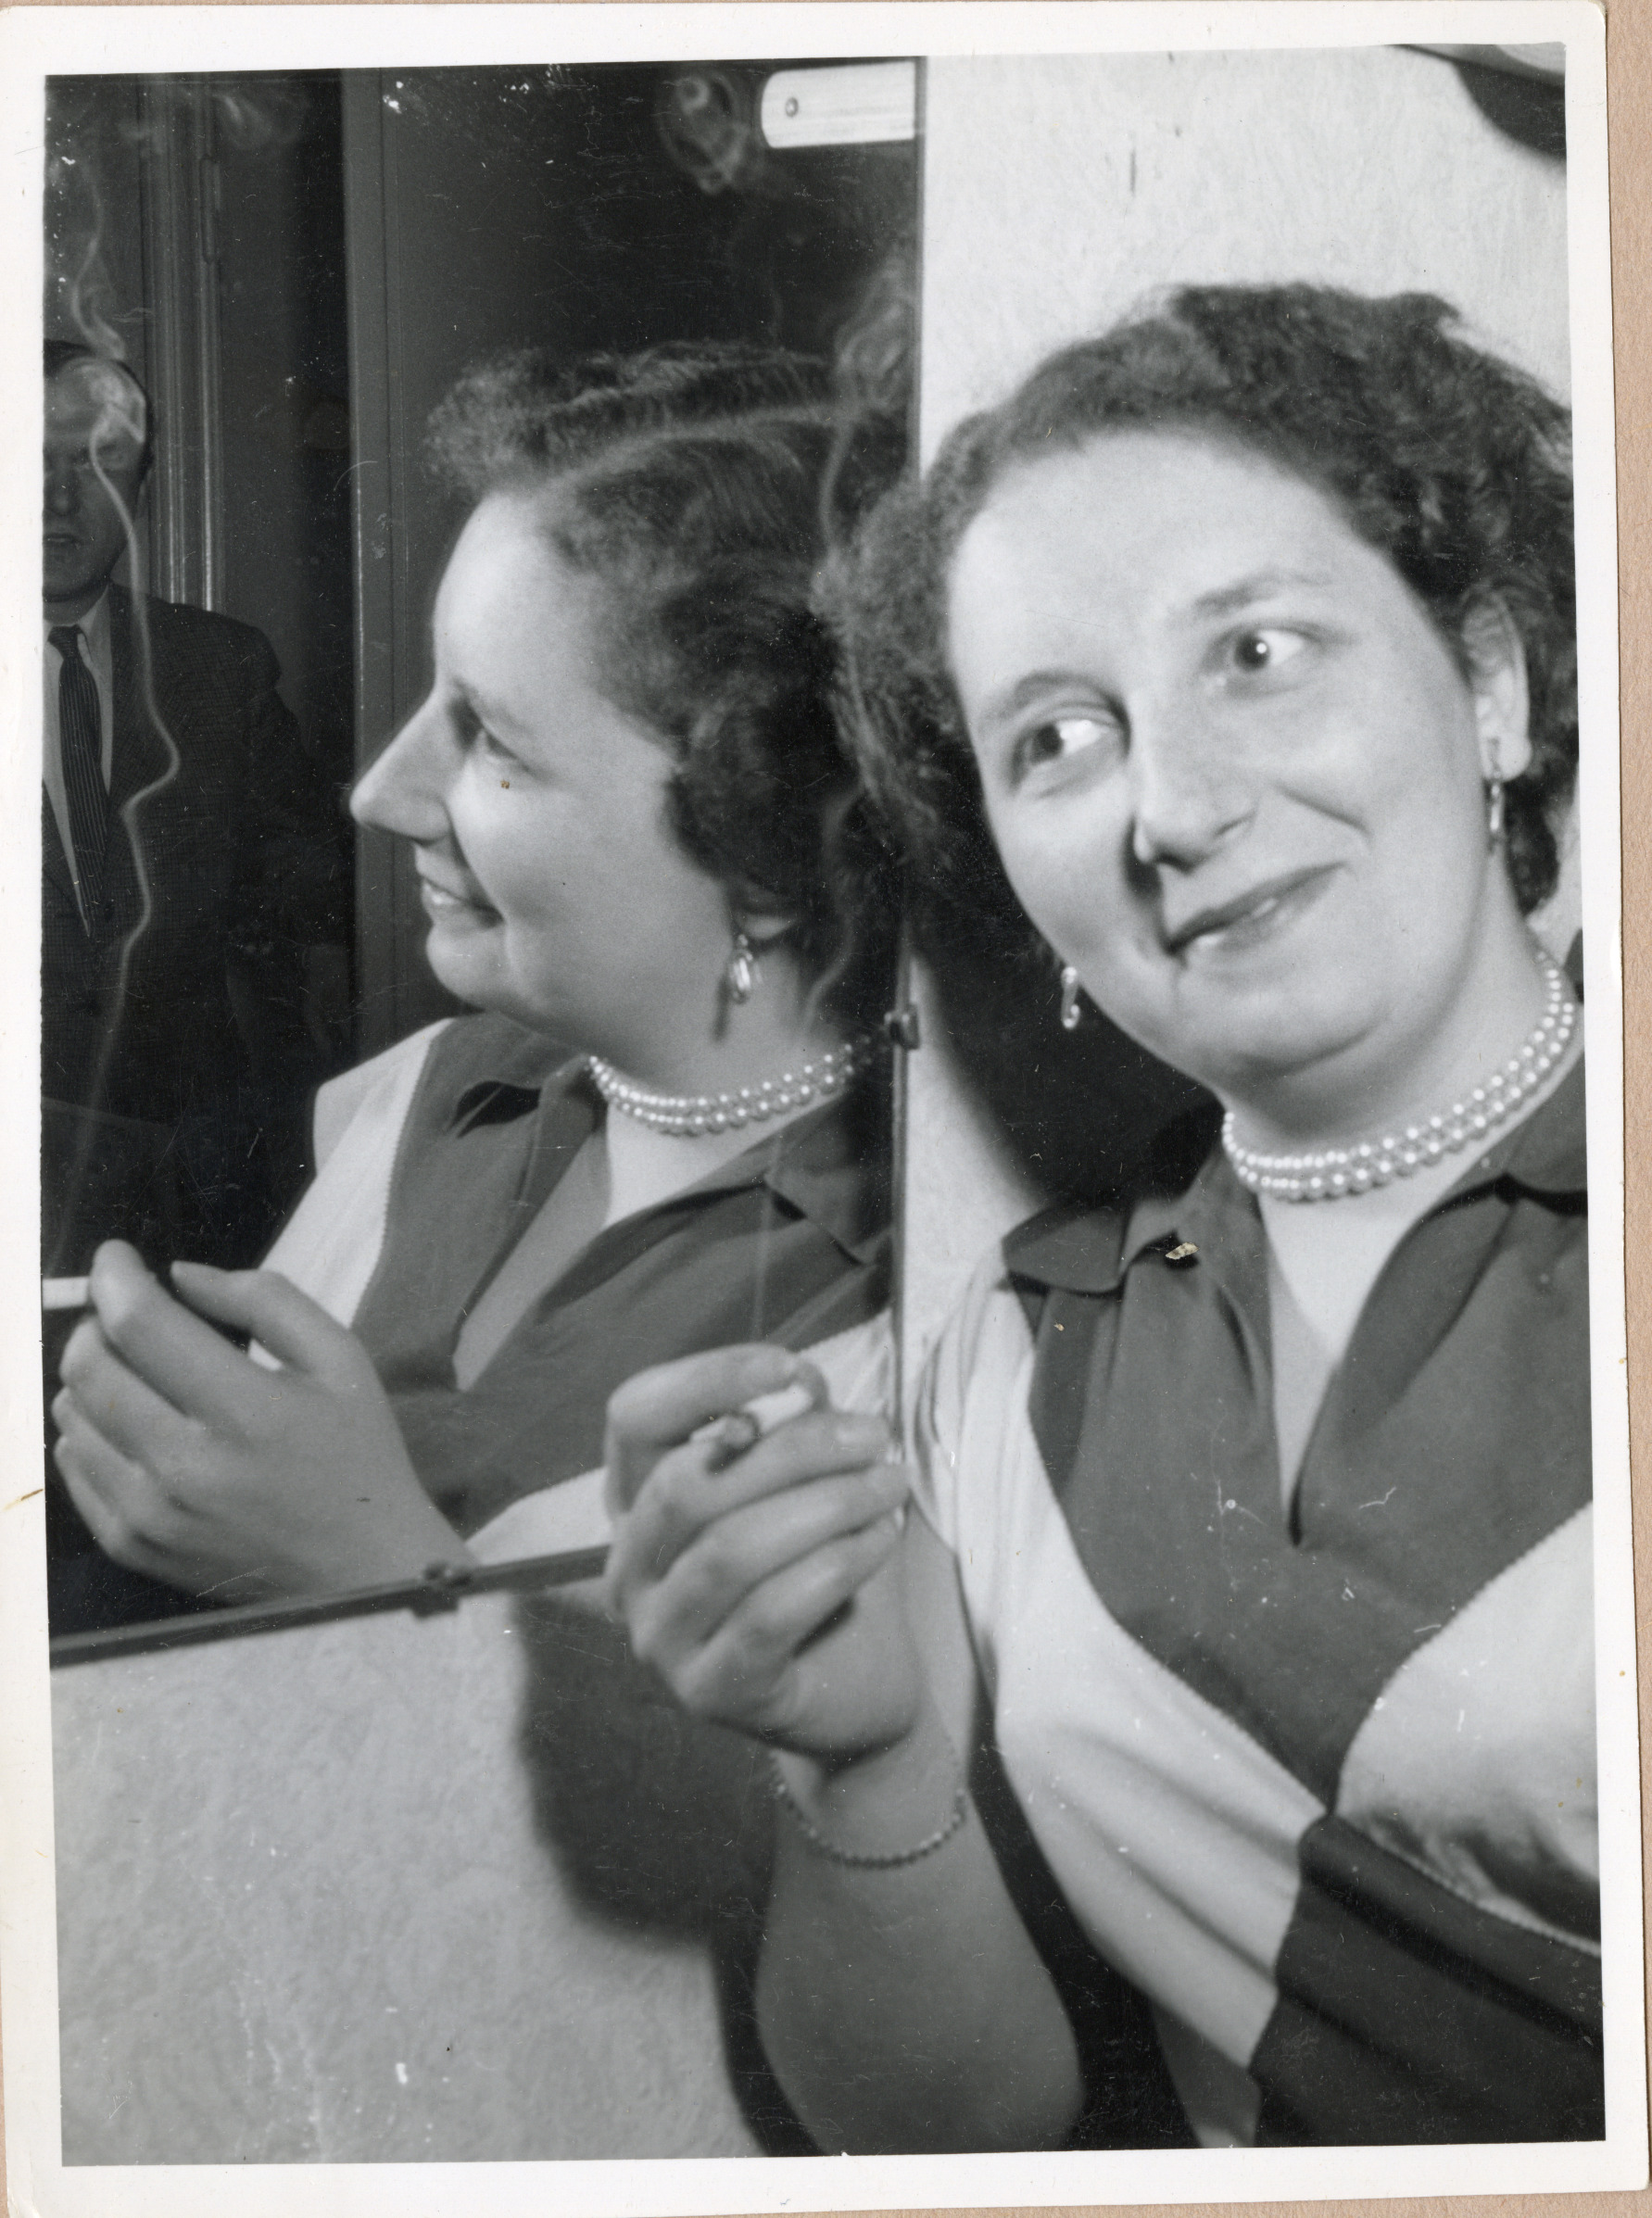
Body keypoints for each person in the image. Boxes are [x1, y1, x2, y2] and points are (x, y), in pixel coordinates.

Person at [598, 287, 1597, 2150]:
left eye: (1257, 652)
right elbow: (957, 2136)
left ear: (1490, 687)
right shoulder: (1008, 1363)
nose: (1175, 806)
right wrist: (860, 1750)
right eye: (1056, 738)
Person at [51, 342, 898, 1612]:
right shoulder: (432, 1089)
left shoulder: (910, 1302)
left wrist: (373, 1567)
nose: (376, 794)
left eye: (490, 736)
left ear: (771, 843)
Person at [42, 339, 347, 1275]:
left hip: (191, 1194)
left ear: (142, 489)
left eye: (98, 462)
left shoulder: (222, 669)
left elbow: (312, 903)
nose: (57, 499)